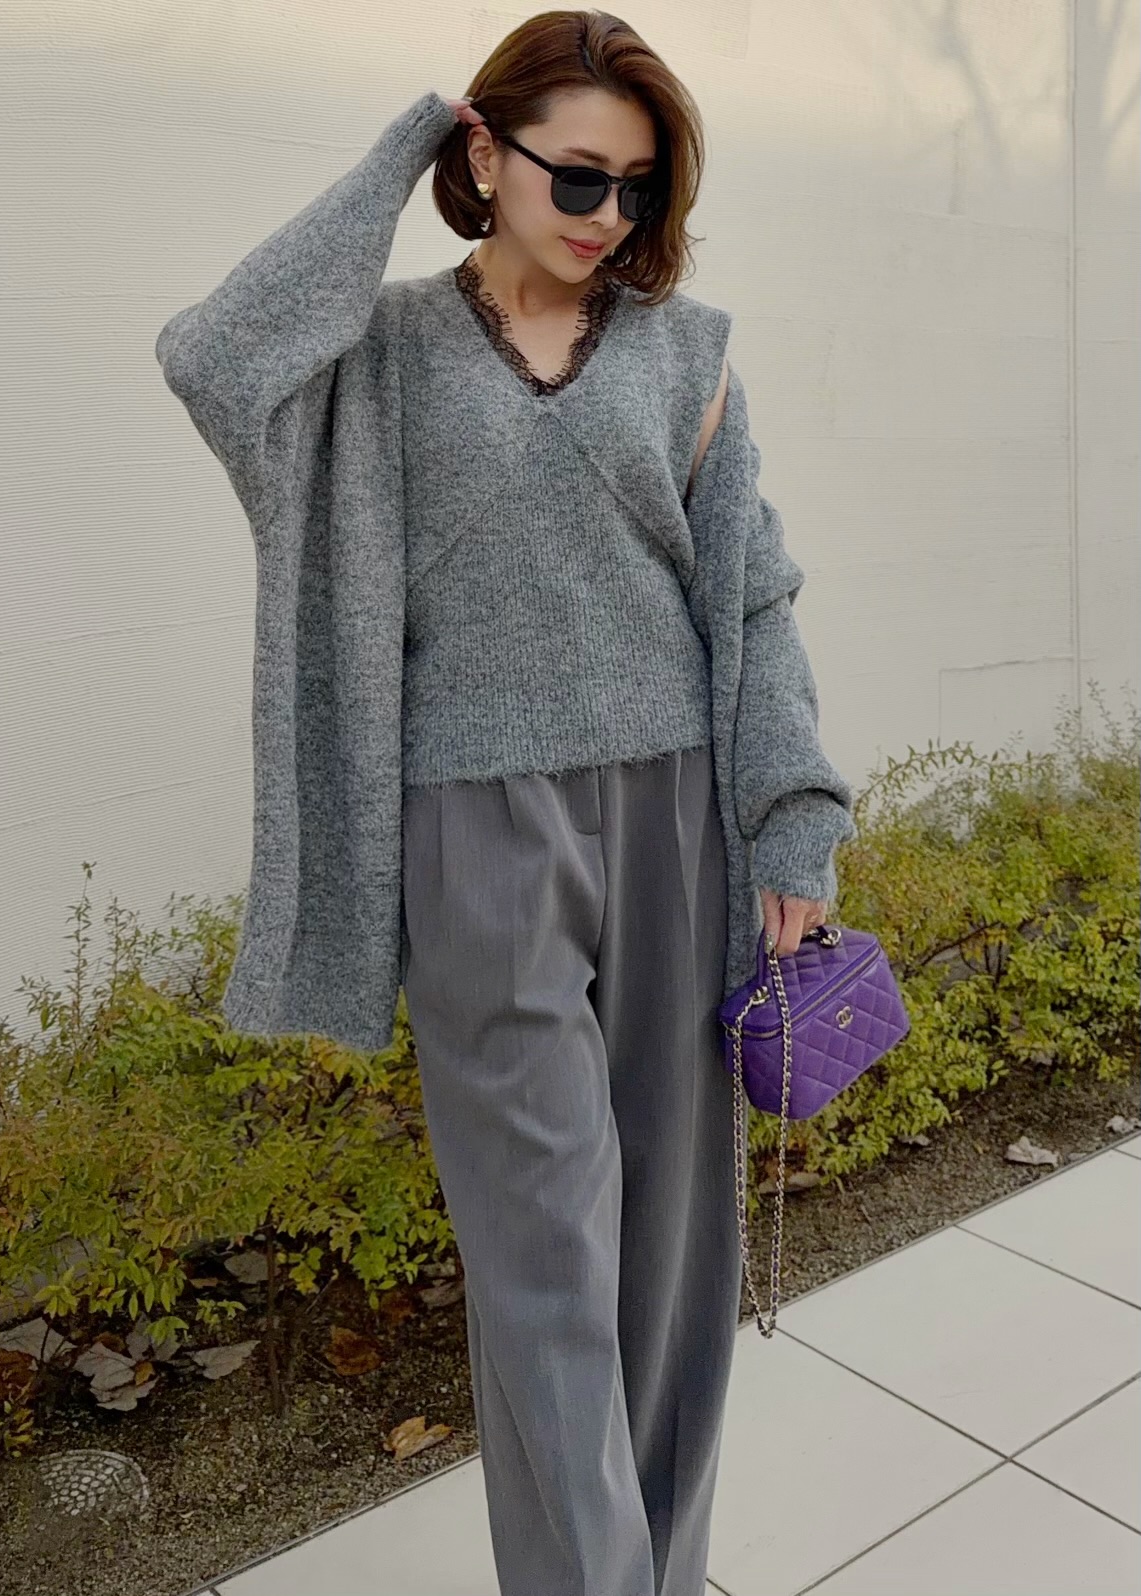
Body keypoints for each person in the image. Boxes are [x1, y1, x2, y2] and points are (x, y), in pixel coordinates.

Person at [155, 11, 857, 1594]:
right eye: (574, 176)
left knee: (669, 1253)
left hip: (676, 820)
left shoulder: (686, 353)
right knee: (542, 1256)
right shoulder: (378, 354)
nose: (606, 216)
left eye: (636, 188)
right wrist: (405, 146)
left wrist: (790, 813)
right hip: (471, 833)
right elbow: (210, 356)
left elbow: (749, 600)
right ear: (486, 151)